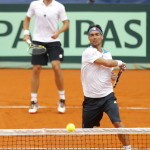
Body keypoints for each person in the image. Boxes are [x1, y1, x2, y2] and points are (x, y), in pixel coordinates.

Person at [81, 24, 131, 150]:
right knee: (85, 131)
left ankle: (128, 148)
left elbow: (108, 71)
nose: (94, 37)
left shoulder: (108, 54)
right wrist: (120, 63)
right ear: (89, 38)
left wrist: (112, 76)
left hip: (108, 97)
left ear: (102, 36)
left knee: (117, 122)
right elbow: (106, 63)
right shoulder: (88, 52)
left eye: (97, 34)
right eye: (91, 35)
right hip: (91, 100)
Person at [23, 0, 69, 114]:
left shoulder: (59, 6)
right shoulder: (34, 4)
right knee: (36, 68)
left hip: (54, 41)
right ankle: (34, 101)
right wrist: (26, 33)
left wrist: (58, 31)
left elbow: (66, 23)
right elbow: (27, 19)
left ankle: (62, 99)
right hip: (38, 40)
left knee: (56, 66)